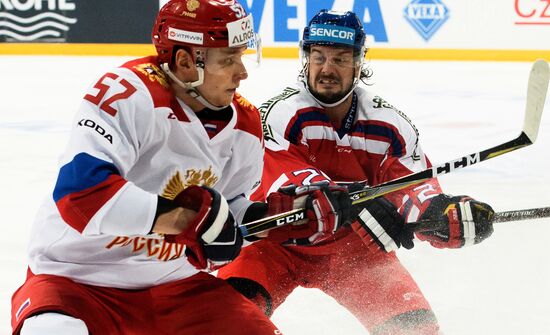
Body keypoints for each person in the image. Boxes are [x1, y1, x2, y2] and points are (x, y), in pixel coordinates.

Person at [10, 2, 352, 334]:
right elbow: (80, 193)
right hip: (74, 281)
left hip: (175, 285)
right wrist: (183, 220)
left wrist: (283, 217)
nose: (242, 72)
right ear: (187, 62)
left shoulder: (245, 125)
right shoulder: (128, 94)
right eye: (229, 59)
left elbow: (229, 209)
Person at [218, 9, 495, 335]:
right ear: (305, 58)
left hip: (354, 251)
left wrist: (439, 211)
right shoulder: (281, 114)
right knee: (224, 325)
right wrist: (347, 198)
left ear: (359, 63)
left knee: (417, 333)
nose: (327, 69)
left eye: (340, 59)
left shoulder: (389, 125)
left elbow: (412, 184)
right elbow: (276, 176)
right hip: (274, 244)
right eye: (318, 57)